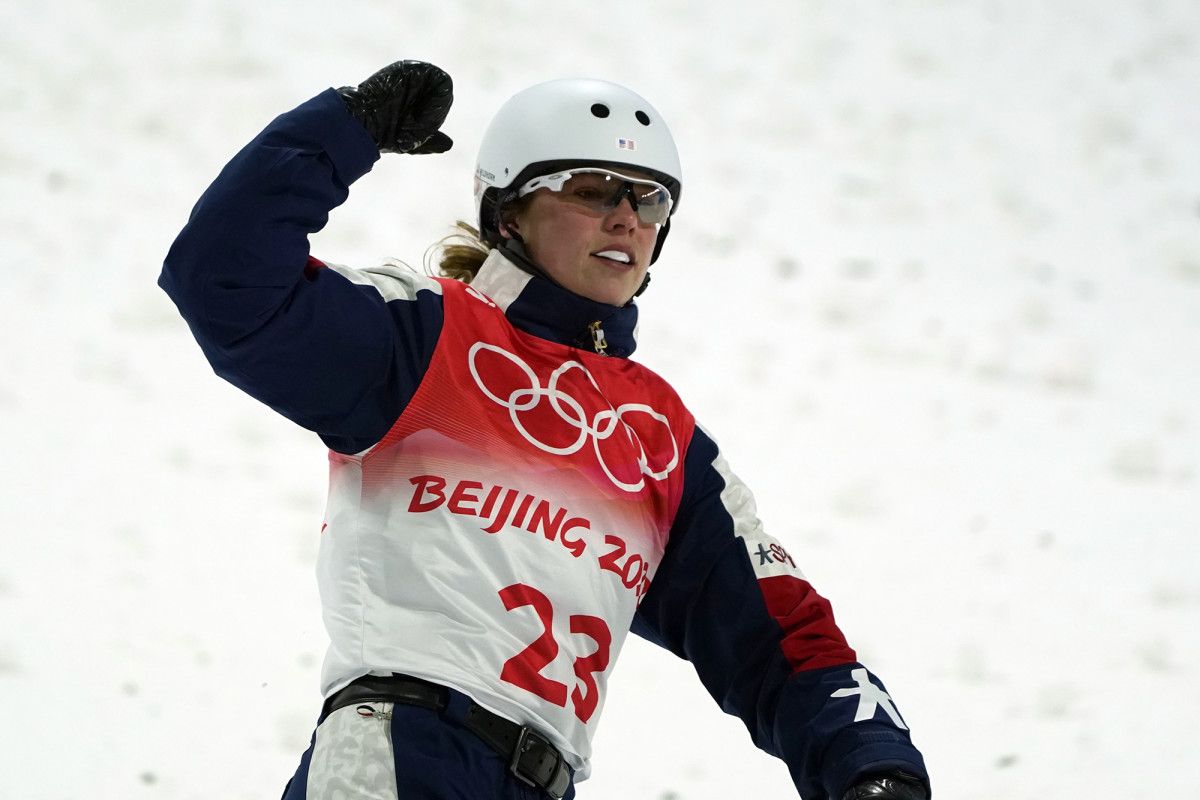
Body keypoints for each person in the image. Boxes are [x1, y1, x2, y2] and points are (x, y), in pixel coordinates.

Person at [159, 60, 931, 800]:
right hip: (404, 749)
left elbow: (784, 642)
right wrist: (345, 128)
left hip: (547, 779)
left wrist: (875, 767)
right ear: (509, 211)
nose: (626, 217)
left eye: (651, 201)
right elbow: (223, 278)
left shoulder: (663, 440)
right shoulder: (422, 337)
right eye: (594, 190)